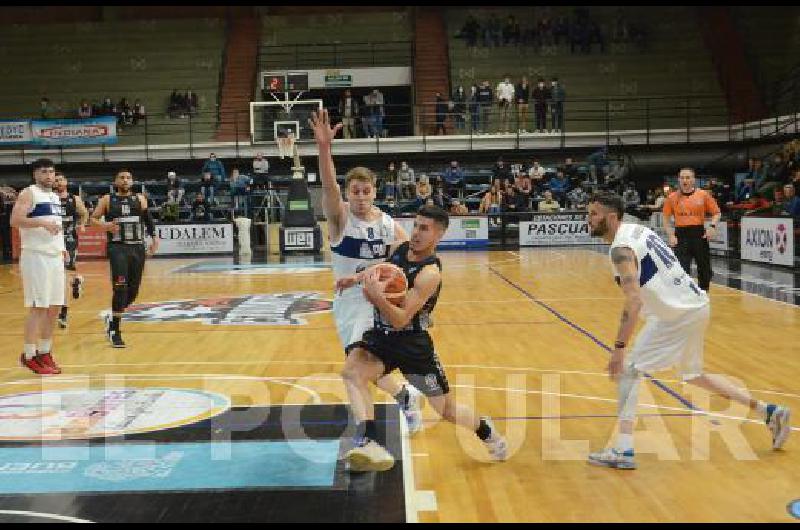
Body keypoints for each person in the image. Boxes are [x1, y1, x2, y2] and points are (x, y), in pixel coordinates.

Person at [585, 192, 791, 470]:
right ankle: (769, 411)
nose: (588, 218)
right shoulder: (637, 230)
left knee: (629, 370)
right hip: (694, 306)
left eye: (594, 213)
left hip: (677, 315)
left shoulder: (620, 250)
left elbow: (633, 301)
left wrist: (618, 350)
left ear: (611, 217)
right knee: (693, 375)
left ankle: (623, 450)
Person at [337, 205, 508, 471]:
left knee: (446, 410)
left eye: (424, 228)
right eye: (416, 225)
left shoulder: (430, 274)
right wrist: (356, 278)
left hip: (412, 346)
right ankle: (368, 440)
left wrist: (376, 297)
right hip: (382, 337)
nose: (416, 233)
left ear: (438, 235)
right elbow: (383, 268)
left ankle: (487, 432)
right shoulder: (401, 249)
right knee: (352, 373)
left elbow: (401, 319)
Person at [309, 108, 424, 436]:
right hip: (346, 303)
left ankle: (366, 436)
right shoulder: (340, 218)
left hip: (373, 303)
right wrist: (324, 149)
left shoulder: (388, 224)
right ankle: (405, 395)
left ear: (375, 191)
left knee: (353, 371)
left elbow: (410, 257)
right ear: (348, 194)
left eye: (365, 191)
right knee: (365, 366)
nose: (359, 197)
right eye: (354, 192)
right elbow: (328, 184)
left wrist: (408, 291)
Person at [90, 169, 159, 348]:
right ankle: (115, 331)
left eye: (128, 177)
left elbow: (149, 221)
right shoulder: (107, 200)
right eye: (122, 177)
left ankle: (112, 317)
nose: (125, 180)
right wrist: (105, 225)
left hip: (137, 247)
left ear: (132, 181)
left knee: (133, 291)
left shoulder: (140, 199)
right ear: (115, 181)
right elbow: (93, 220)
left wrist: (155, 239)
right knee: (120, 288)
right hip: (118, 248)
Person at [10, 159, 65, 375]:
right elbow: (15, 220)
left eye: (51, 172)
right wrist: (42, 223)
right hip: (36, 256)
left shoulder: (54, 196)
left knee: (54, 307)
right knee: (39, 307)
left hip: (54, 255)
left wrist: (61, 247)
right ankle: (28, 354)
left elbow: (54, 225)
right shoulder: (28, 193)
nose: (49, 176)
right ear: (35, 174)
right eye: (44, 172)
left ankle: (45, 351)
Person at [662, 168, 721, 292]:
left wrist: (712, 226)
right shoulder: (671, 198)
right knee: (681, 269)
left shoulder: (703, 195)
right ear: (678, 180)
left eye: (688, 177)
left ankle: (704, 293)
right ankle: (686, 296)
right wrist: (671, 235)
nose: (685, 180)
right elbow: (666, 219)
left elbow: (717, 213)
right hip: (681, 235)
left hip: (698, 234)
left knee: (704, 268)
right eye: (682, 177)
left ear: (693, 180)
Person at [54, 172, 88, 329]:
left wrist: (81, 224)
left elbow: (84, 214)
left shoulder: (74, 199)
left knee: (64, 274)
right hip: (52, 241)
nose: (58, 182)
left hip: (69, 239)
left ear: (66, 182)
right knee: (58, 277)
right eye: (56, 180)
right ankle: (77, 280)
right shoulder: (48, 198)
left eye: (61, 179)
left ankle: (63, 313)